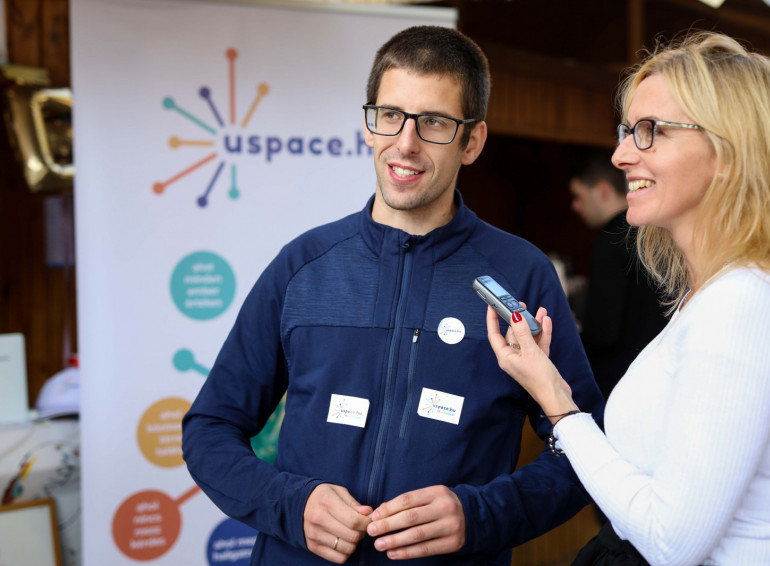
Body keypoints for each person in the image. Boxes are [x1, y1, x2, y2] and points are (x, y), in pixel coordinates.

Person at [182, 25, 604, 566]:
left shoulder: (521, 275)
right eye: (390, 115)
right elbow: (209, 429)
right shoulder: (304, 266)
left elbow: (583, 445)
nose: (405, 143)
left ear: (472, 141)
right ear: (369, 124)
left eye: (434, 122)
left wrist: (479, 516)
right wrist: (292, 504)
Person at [487, 31, 770, 565]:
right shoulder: (720, 292)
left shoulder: (745, 303)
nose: (622, 154)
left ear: (729, 150)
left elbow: (672, 541)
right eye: (627, 131)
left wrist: (557, 402)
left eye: (650, 131)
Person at [569, 155, 668, 398]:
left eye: (579, 196)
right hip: (659, 374)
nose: (575, 206)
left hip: (617, 382)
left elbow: (603, 331)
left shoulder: (609, 243)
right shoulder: (657, 236)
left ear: (602, 190)